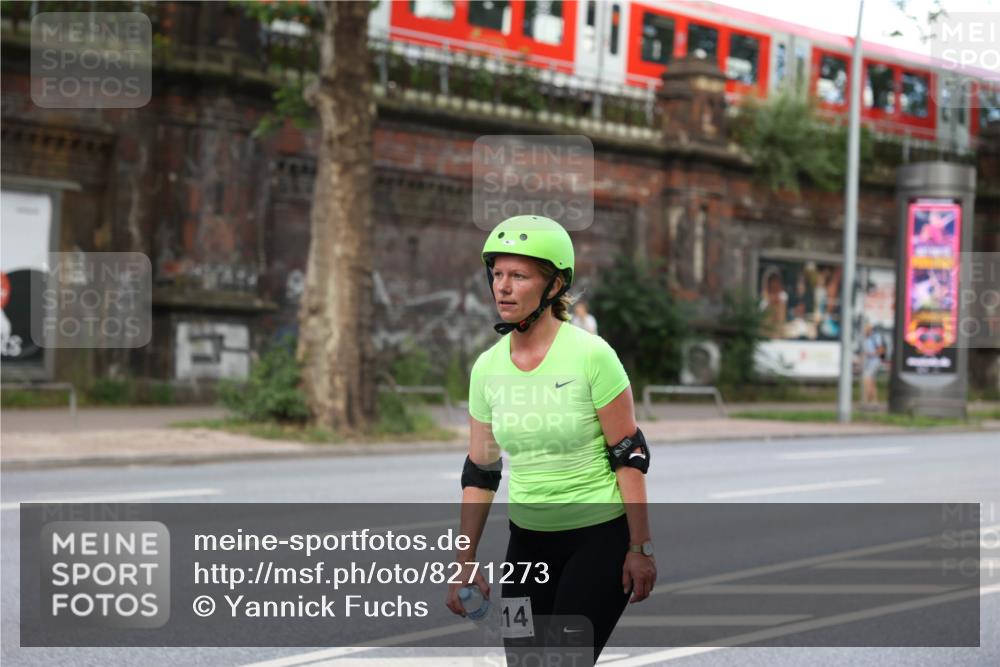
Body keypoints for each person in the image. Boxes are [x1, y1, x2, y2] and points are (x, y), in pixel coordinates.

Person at [445, 215, 656, 665]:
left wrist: (639, 547)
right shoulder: (486, 368)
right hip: (527, 546)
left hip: (598, 540)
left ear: (555, 285)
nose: (503, 286)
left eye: (518, 276)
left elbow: (629, 455)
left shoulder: (591, 356)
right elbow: (480, 471)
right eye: (498, 274)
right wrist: (465, 560)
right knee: (523, 661)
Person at [862, 322, 883, 406]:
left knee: (866, 379)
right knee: (872, 381)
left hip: (874, 361)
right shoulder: (864, 339)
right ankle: (874, 400)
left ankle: (867, 399)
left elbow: (881, 350)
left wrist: (870, 354)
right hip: (867, 362)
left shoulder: (875, 337)